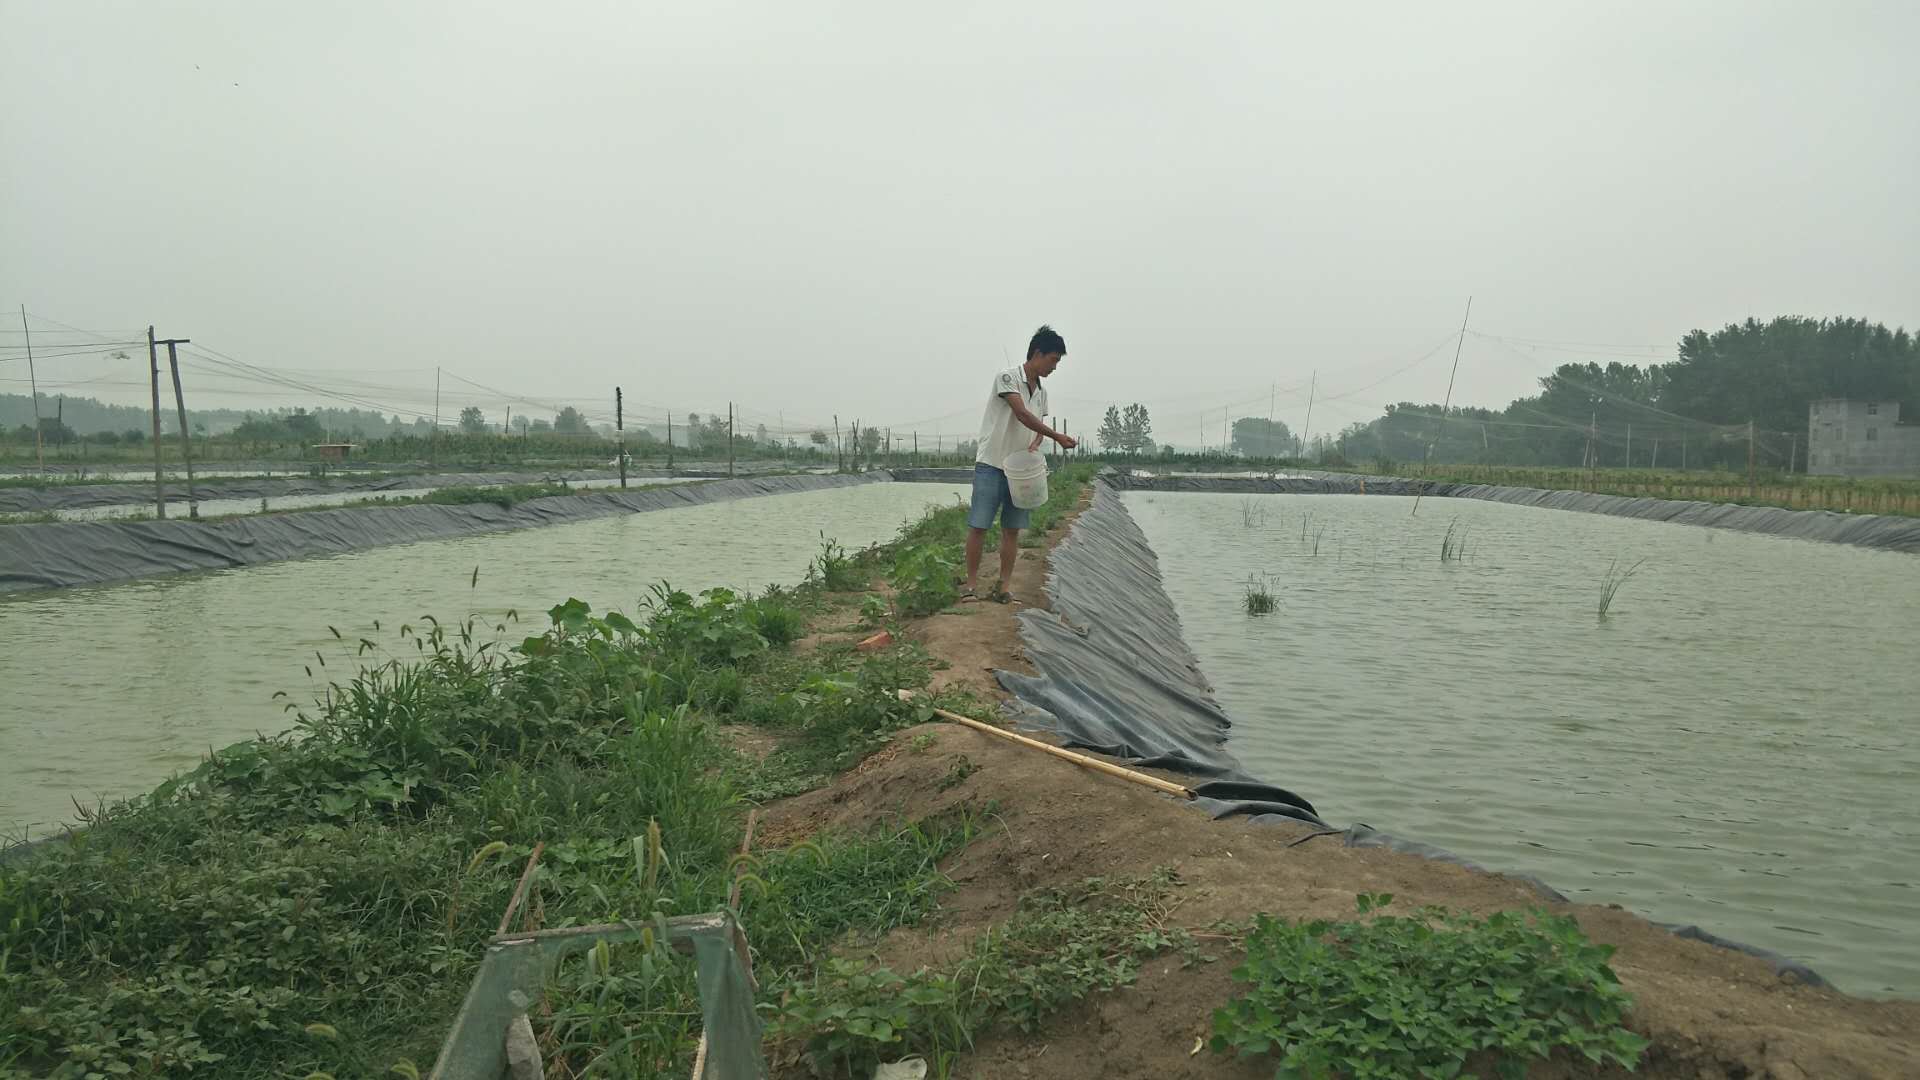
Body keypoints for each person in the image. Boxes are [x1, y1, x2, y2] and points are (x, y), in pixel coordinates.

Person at [964, 325, 1078, 602]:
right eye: (1053, 360)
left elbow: (1037, 423)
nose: (1054, 367)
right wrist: (1057, 437)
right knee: (979, 525)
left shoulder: (1042, 392)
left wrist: (1039, 441)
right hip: (992, 463)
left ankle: (1003, 587)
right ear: (1037, 353)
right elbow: (1022, 415)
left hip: (1020, 471)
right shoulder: (1007, 378)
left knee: (1012, 529)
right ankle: (970, 586)